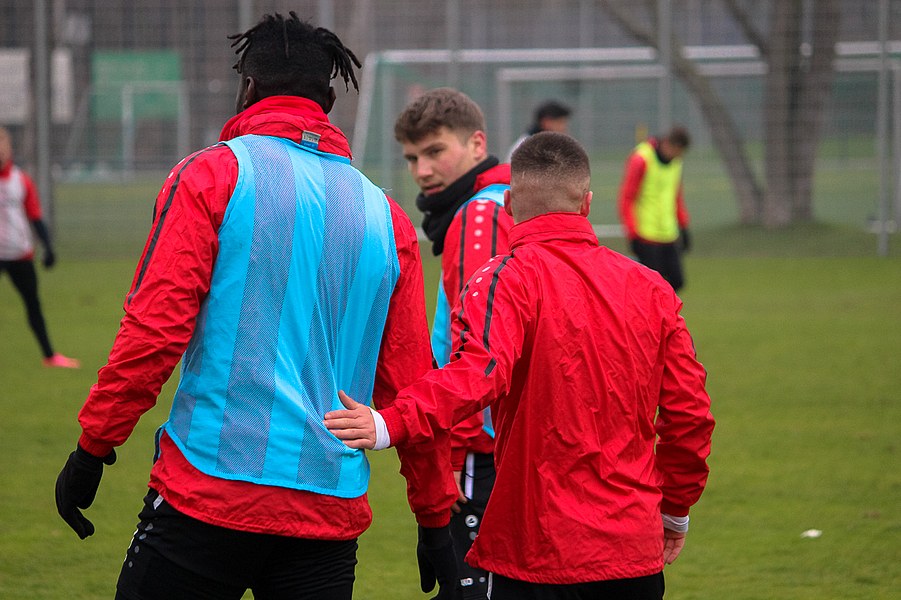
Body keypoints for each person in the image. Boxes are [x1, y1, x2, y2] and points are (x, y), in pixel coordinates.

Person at [54, 13, 459, 600]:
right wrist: (435, 517)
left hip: (209, 495)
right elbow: (412, 383)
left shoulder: (211, 176)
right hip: (327, 513)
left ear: (247, 89)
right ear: (328, 103)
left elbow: (154, 333)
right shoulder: (387, 217)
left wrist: (94, 446)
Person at [326, 131, 715, 600]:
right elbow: (690, 414)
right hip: (631, 551)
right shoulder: (651, 287)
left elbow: (476, 375)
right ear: (587, 203)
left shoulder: (503, 279)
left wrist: (391, 421)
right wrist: (675, 508)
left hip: (536, 552)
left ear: (509, 204)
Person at [394, 87, 513, 600]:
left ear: (476, 144)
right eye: (412, 158)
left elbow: (476, 348)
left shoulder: (478, 216)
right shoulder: (509, 202)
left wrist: (455, 448)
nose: (422, 170)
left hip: (478, 440)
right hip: (515, 435)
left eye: (435, 151)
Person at [0, 126, 79, 368]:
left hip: (20, 254)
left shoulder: (20, 180)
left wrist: (48, 247)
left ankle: (50, 356)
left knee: (33, 305)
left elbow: (35, 216)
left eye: (3, 144)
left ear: (9, 148)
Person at [617, 125, 692, 292]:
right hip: (646, 235)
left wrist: (684, 226)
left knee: (677, 281)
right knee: (651, 287)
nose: (679, 157)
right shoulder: (641, 158)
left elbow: (676, 196)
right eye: (678, 152)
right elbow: (627, 198)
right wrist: (632, 233)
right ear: (670, 144)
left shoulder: (676, 162)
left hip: (669, 233)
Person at [505, 99, 572, 162]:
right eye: (560, 122)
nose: (564, 127)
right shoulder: (525, 148)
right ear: (546, 122)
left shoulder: (549, 145)